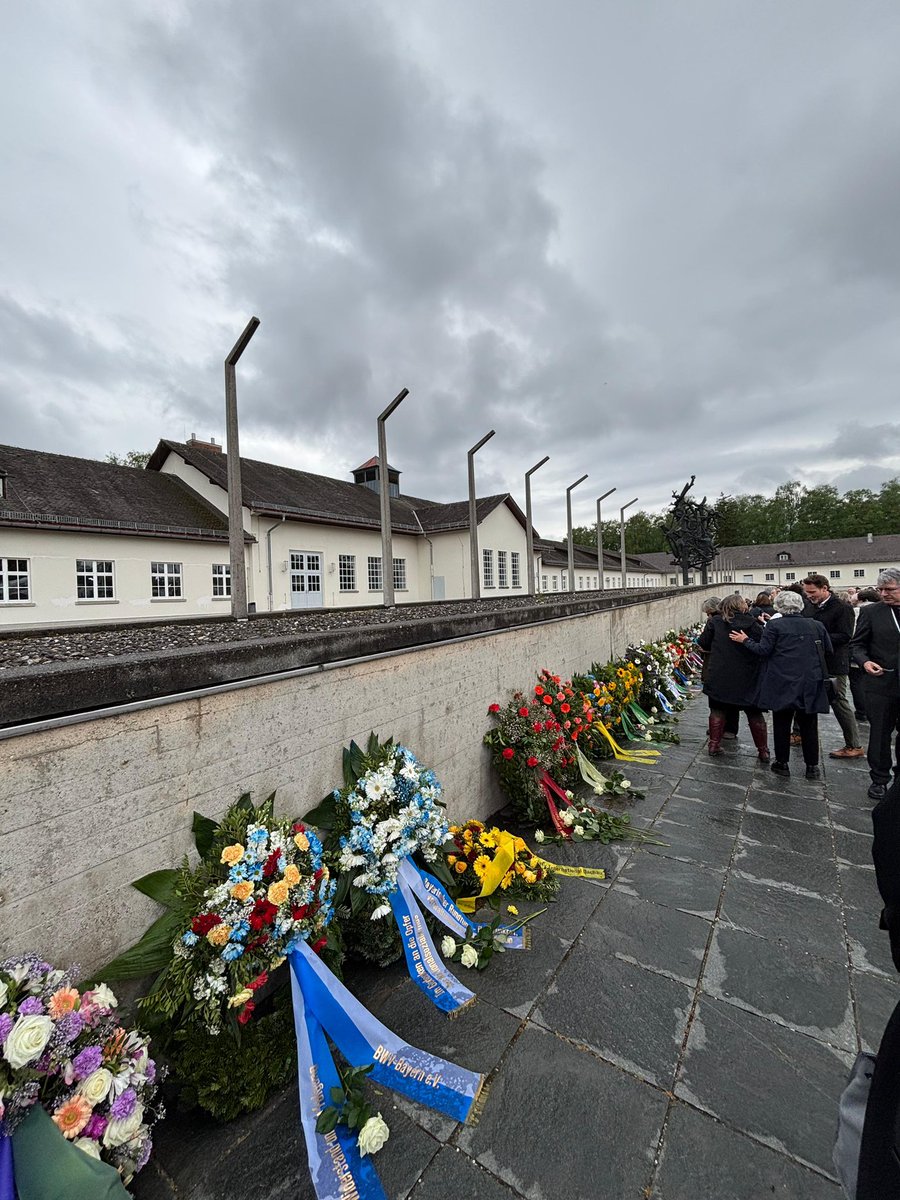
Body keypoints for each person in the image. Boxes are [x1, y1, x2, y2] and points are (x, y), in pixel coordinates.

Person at [730, 589, 832, 779]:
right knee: (809, 724)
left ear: (779, 606)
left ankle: (782, 762)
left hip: (783, 680)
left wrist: (745, 640)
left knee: (781, 722)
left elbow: (763, 649)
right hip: (810, 680)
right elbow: (827, 649)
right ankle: (812, 767)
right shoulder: (816, 625)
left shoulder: (775, 625)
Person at [697, 593, 769, 760]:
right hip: (748, 675)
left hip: (720, 673)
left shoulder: (715, 622)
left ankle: (714, 745)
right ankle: (763, 751)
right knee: (754, 713)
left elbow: (703, 642)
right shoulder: (753, 623)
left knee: (717, 709)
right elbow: (762, 645)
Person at [801, 574, 865, 760]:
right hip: (812, 660)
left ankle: (854, 744)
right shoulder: (809, 606)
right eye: (807, 593)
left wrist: (818, 637)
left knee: (838, 701)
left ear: (824, 588)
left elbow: (845, 636)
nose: (809, 596)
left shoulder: (842, 608)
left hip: (834, 661)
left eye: (812, 592)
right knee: (804, 696)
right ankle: (798, 733)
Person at [850, 568, 900, 801]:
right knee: (880, 733)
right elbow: (857, 645)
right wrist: (865, 661)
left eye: (889, 590)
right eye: (880, 590)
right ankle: (879, 778)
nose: (884, 594)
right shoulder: (872, 612)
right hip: (881, 683)